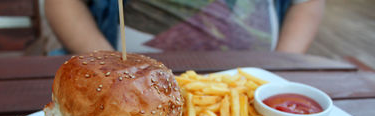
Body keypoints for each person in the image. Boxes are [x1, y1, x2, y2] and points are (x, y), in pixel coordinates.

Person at [44, 0, 325, 55]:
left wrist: (280, 64)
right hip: (124, 77)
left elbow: (307, 3)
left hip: (259, 80)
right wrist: (110, 68)